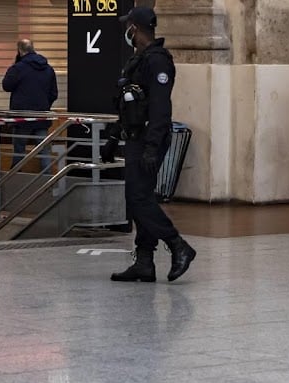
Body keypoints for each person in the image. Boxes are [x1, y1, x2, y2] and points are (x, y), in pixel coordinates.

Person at [100, 7, 196, 283]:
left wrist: (153, 146)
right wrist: (113, 137)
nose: (124, 31)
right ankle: (144, 261)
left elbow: (159, 108)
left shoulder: (158, 62)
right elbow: (129, 104)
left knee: (138, 198)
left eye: (127, 26)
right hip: (135, 137)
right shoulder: (138, 60)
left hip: (148, 138)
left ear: (136, 28)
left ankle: (178, 246)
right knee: (141, 198)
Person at [2, 39, 59, 171]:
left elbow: (6, 86)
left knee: (19, 150)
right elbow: (53, 94)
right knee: (44, 151)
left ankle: (15, 177)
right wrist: (44, 105)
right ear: (33, 48)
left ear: (20, 50)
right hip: (41, 116)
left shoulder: (17, 68)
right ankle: (47, 181)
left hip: (22, 117)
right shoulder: (48, 69)